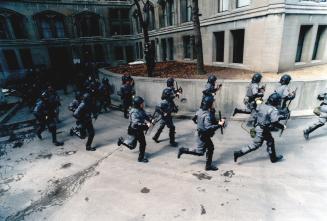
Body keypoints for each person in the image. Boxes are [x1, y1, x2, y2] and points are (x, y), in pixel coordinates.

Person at [233, 93, 285, 163]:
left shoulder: (262, 105)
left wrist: (280, 116)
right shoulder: (273, 110)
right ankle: (238, 153)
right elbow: (274, 122)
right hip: (263, 129)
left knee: (270, 140)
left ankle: (273, 158)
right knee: (255, 145)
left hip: (259, 126)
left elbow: (262, 114)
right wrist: (282, 126)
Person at [177, 96, 225, 171]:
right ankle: (183, 150)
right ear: (209, 104)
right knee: (201, 152)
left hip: (201, 133)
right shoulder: (207, 115)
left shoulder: (200, 110)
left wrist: (217, 122)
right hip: (203, 135)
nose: (213, 104)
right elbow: (208, 127)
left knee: (209, 148)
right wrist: (219, 125)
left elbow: (195, 119)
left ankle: (208, 165)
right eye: (212, 102)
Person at [118, 96, 152, 163]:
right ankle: (140, 158)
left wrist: (149, 118)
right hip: (134, 130)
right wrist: (146, 125)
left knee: (134, 145)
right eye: (141, 103)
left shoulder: (140, 109)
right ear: (138, 104)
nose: (143, 104)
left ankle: (121, 141)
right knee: (139, 144)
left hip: (139, 129)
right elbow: (136, 124)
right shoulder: (134, 112)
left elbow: (144, 115)